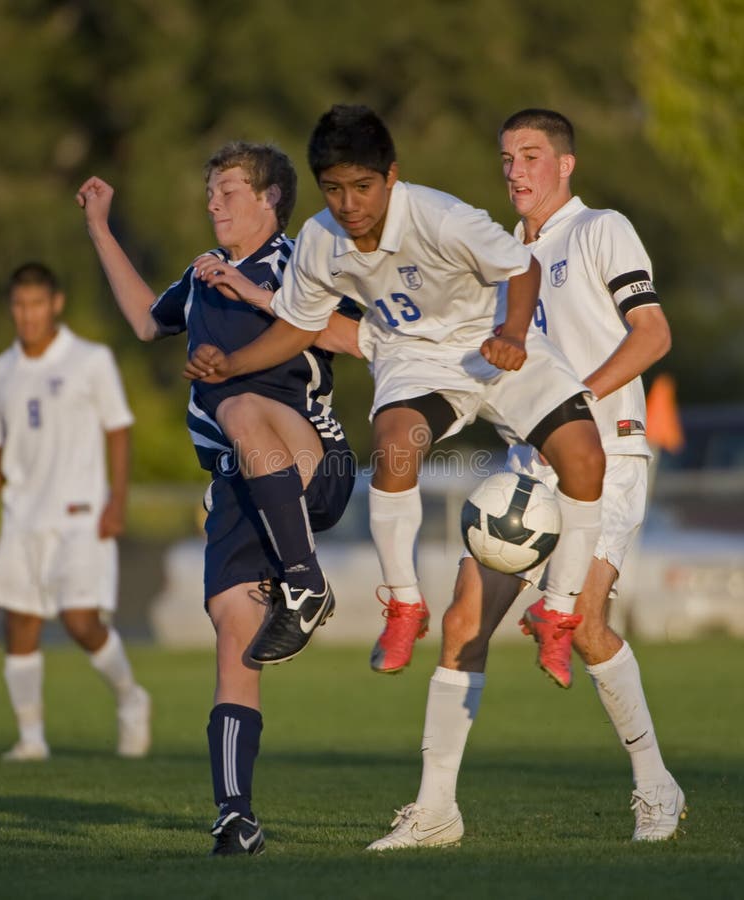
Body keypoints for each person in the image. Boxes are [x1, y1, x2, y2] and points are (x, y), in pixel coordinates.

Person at [185, 103, 606, 681]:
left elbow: (522, 266)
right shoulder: (318, 240)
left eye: (363, 186)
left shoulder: (441, 216)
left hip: (491, 340)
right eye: (333, 189)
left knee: (585, 458)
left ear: (391, 176)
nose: (349, 204)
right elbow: (299, 328)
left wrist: (511, 333)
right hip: (415, 357)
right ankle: (405, 606)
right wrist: (231, 363)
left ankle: (555, 615)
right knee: (394, 444)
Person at [366, 108, 684, 851]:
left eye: (531, 155)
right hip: (522, 465)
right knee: (460, 624)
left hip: (608, 450)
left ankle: (654, 786)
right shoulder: (500, 254)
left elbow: (654, 335)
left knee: (583, 623)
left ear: (564, 164)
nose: (515, 170)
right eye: (506, 157)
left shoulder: (601, 228)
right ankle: (435, 812)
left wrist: (571, 411)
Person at [76, 140, 357, 856]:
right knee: (236, 636)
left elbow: (367, 340)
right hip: (240, 483)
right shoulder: (202, 275)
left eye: (228, 190)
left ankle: (304, 580)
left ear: (267, 200)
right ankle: (236, 816)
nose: (213, 202)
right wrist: (102, 230)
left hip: (312, 462)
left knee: (233, 402)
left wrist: (259, 299)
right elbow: (146, 321)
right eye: (211, 191)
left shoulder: (307, 258)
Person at [0, 262, 150, 761]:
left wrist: (118, 500)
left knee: (80, 621)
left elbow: (118, 430)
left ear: (55, 304)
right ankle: (31, 738)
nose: (27, 315)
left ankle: (130, 698)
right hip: (21, 516)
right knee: (20, 626)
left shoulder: (89, 360)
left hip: (80, 512)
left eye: (36, 304)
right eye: (19, 304)